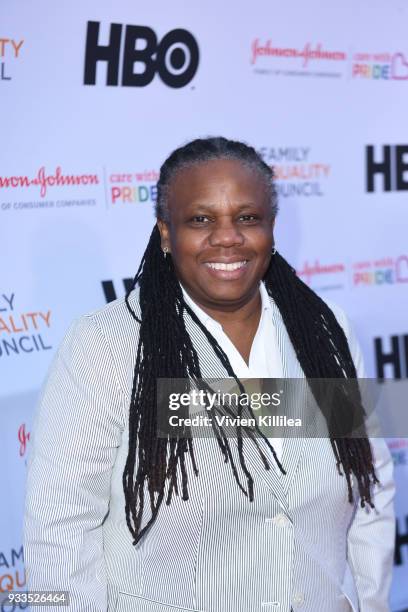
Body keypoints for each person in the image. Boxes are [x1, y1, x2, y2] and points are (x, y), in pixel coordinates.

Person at [24, 137, 395, 612]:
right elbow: (58, 529)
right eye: (201, 219)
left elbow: (371, 486)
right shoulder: (104, 345)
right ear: (165, 233)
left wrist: (368, 601)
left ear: (271, 229)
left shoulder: (325, 331)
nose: (227, 237)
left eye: (247, 218)